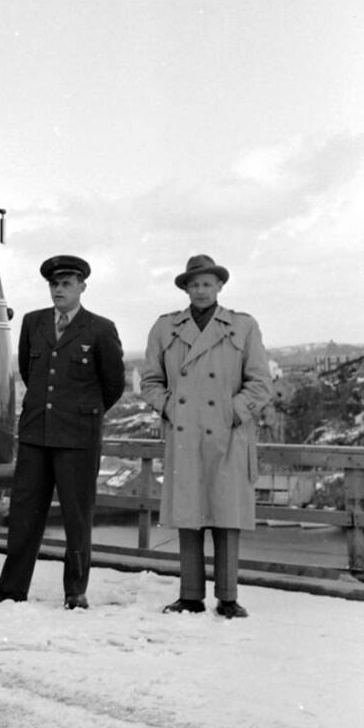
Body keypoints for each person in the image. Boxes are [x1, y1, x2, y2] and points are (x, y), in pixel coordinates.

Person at [0, 256, 125, 610]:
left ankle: (75, 590)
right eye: (54, 284)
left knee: (77, 517)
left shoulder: (100, 329)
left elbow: (113, 385)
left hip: (78, 437)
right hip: (35, 435)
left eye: (67, 284)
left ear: (81, 288)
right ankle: (12, 587)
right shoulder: (33, 323)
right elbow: (32, 375)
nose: (59, 290)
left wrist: (78, 412)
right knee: (25, 513)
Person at [141, 255, 271, 619]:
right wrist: (170, 408)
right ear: (186, 288)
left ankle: (228, 597)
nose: (201, 290)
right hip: (185, 434)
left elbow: (260, 383)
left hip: (228, 434)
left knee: (227, 517)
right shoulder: (165, 327)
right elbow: (150, 381)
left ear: (219, 287)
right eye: (194, 284)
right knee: (189, 514)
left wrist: (232, 411)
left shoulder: (243, 326)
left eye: (207, 284)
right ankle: (190, 596)